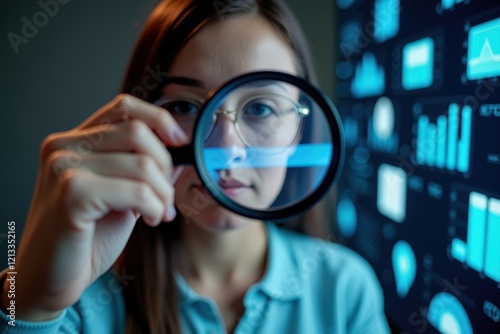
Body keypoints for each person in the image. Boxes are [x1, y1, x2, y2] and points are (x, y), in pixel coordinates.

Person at [0, 0, 390, 333]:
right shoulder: (80, 303)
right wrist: (29, 301)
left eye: (260, 108)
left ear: (301, 126)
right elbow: (24, 311)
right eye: (185, 107)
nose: (225, 151)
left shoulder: (344, 289)